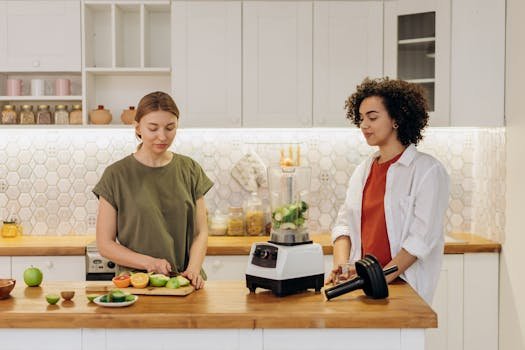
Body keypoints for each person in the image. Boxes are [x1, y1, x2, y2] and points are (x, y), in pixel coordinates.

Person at [327, 78, 450, 303]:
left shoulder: (427, 170)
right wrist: (342, 267)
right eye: (361, 118)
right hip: (361, 287)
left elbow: (420, 239)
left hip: (404, 287)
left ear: (396, 118)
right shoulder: (362, 171)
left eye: (372, 117)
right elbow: (343, 225)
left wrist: (380, 278)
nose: (364, 125)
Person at [93, 91, 213, 289]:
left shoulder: (190, 169)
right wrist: (150, 263)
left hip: (185, 284)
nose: (162, 136)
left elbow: (200, 232)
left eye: (170, 128)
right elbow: (105, 244)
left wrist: (193, 269)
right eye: (153, 128)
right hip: (135, 286)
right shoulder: (116, 175)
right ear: (138, 127)